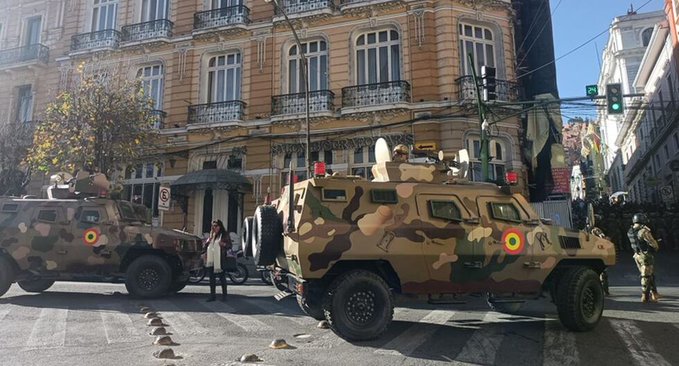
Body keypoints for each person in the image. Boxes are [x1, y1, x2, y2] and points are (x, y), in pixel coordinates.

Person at [626, 213, 660, 303]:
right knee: (646, 276)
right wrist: (656, 245)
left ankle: (654, 293)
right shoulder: (643, 231)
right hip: (645, 255)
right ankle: (645, 295)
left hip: (636, 255)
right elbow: (652, 243)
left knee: (649, 275)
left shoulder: (630, 230)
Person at [204, 219, 230, 302]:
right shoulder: (212, 235)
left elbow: (229, 245)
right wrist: (208, 240)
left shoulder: (224, 235)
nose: (214, 228)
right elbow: (206, 246)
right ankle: (212, 295)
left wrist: (223, 244)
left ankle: (224, 296)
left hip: (220, 259)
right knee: (211, 278)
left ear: (220, 226)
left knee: (222, 278)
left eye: (216, 226)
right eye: (213, 226)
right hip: (211, 260)